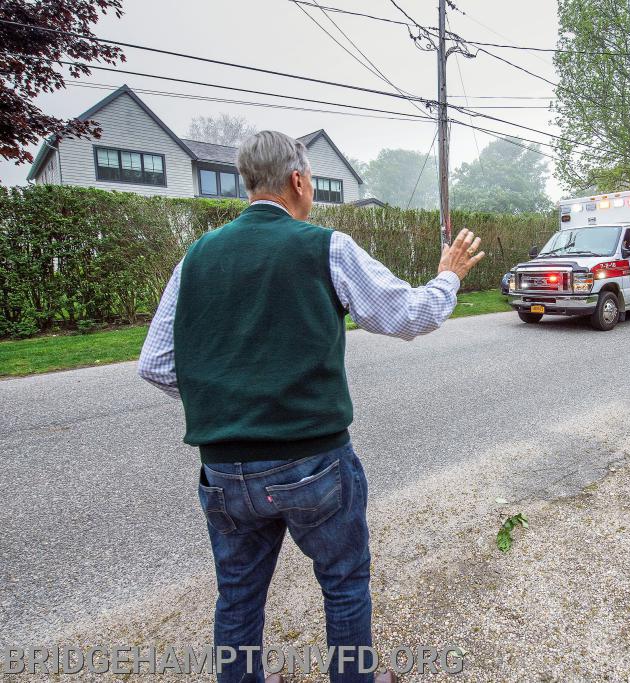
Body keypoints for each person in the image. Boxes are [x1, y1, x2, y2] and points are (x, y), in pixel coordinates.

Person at [138, 131, 485, 683]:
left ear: (247, 184)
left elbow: (155, 363)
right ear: (299, 180)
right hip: (313, 463)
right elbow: (407, 316)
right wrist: (449, 276)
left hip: (224, 469)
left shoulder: (195, 259)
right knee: (344, 583)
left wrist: (228, 394)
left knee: (237, 596)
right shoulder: (325, 246)